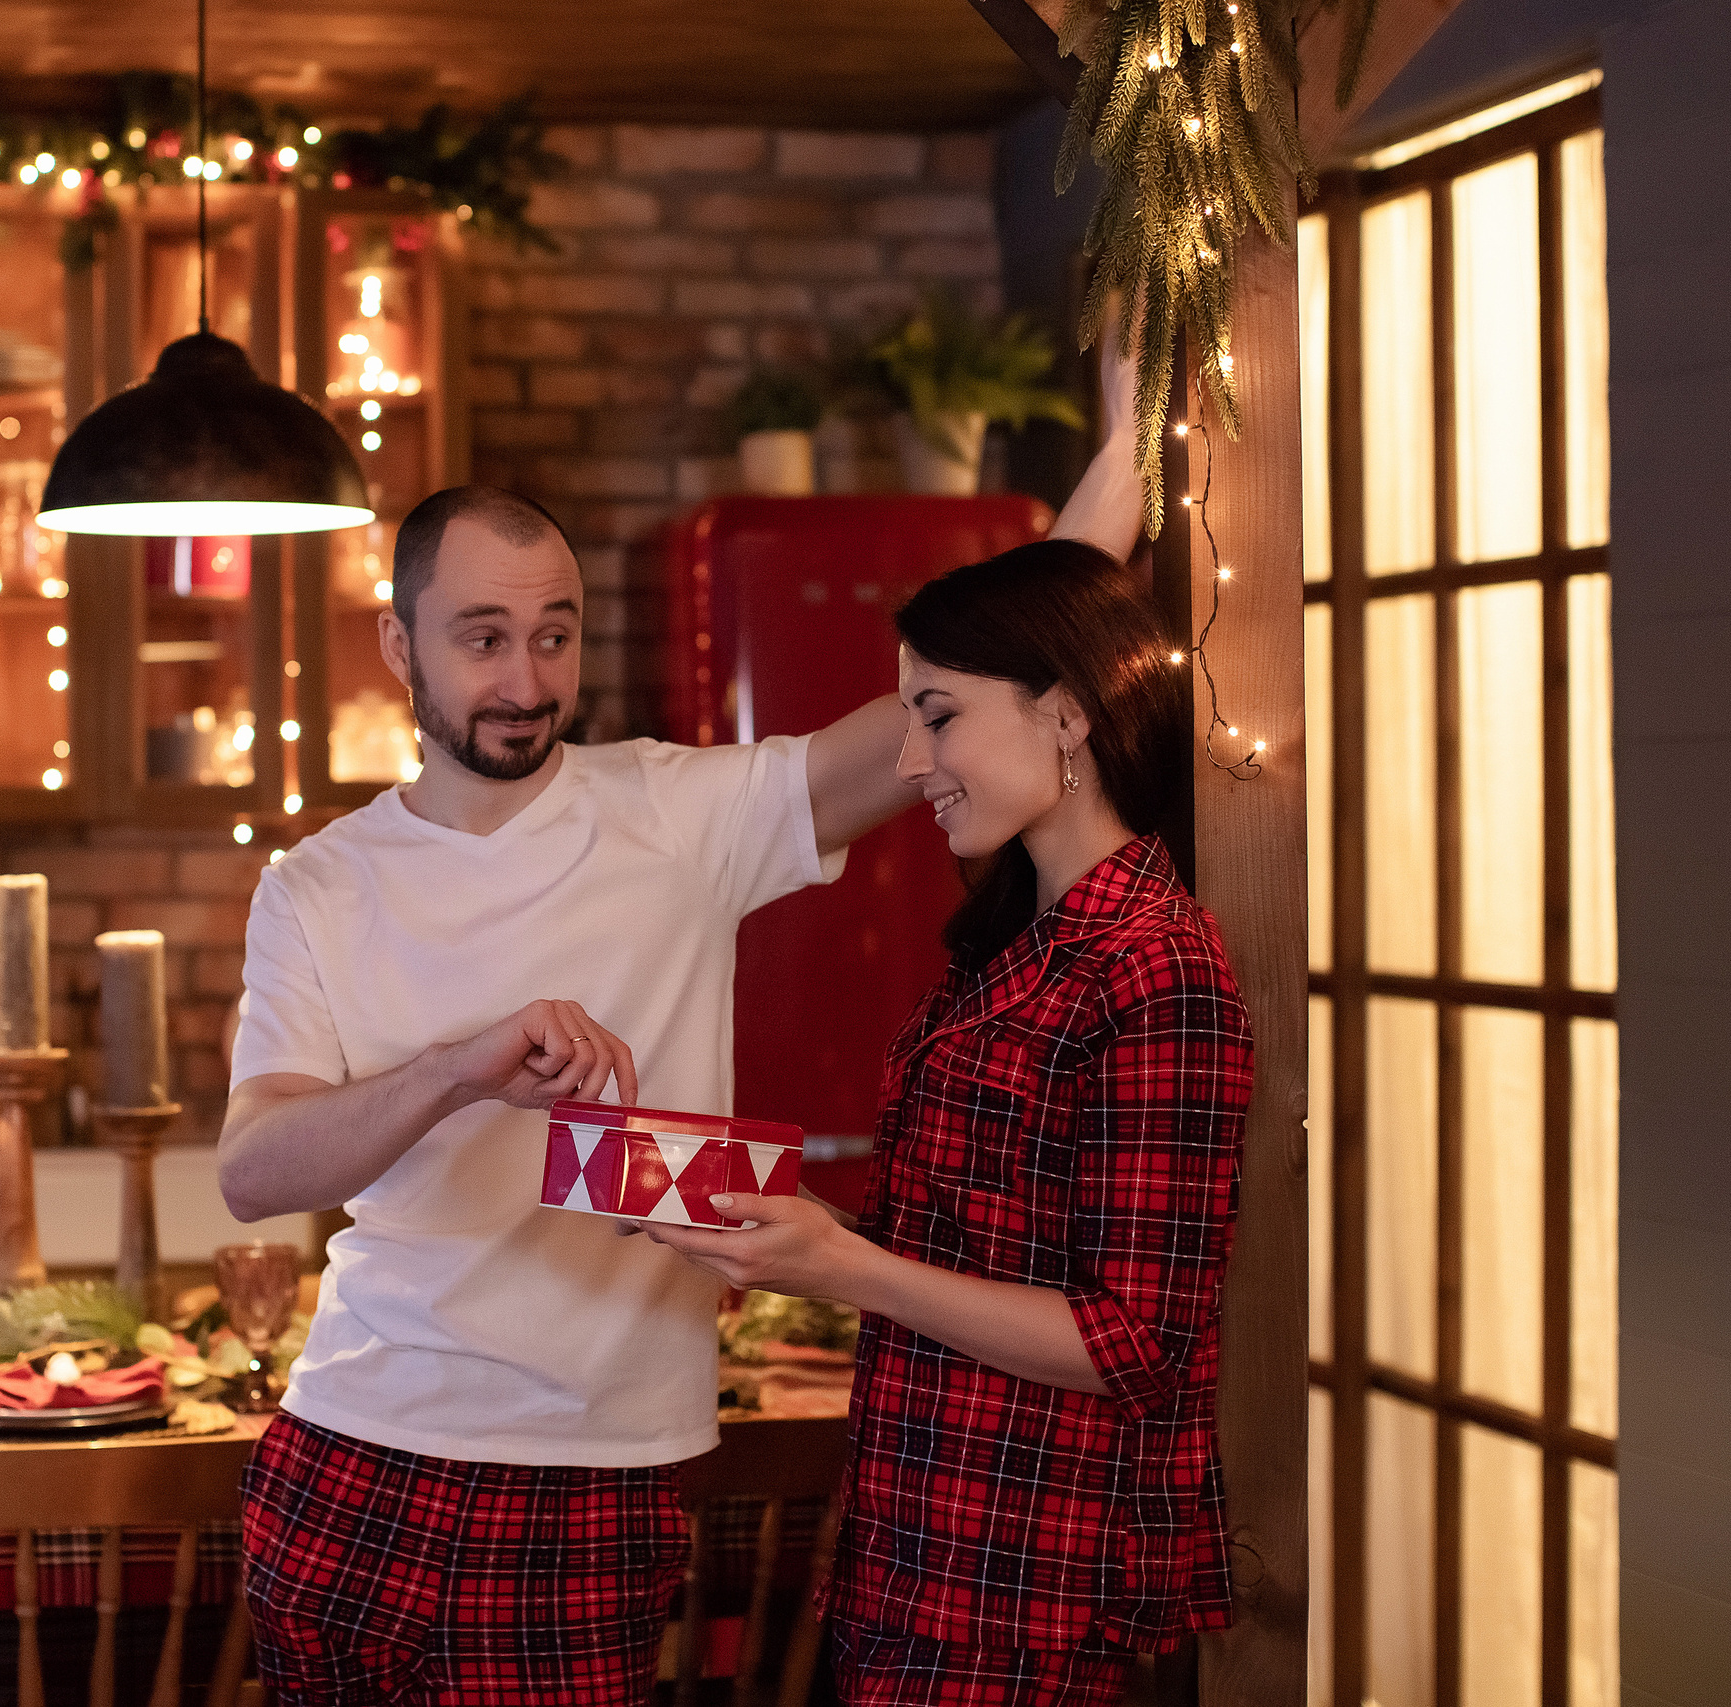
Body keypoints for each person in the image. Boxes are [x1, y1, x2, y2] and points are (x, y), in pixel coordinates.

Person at [218, 340, 1140, 1707]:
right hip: (355, 1454)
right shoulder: (317, 884)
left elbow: (967, 688)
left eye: (554, 633)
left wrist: (1122, 462)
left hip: (598, 1474)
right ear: (400, 646)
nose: (525, 678)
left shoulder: (680, 811)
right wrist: (457, 1071)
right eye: (482, 638)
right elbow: (254, 1170)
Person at [643, 540, 1255, 1707]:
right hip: (921, 1549)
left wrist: (844, 1269)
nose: (911, 761)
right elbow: (979, 1250)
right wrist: (796, 1227)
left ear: (1065, 714)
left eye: (937, 715)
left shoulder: (1155, 965)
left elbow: (1132, 1341)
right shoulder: (1021, 942)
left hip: (1025, 1578)